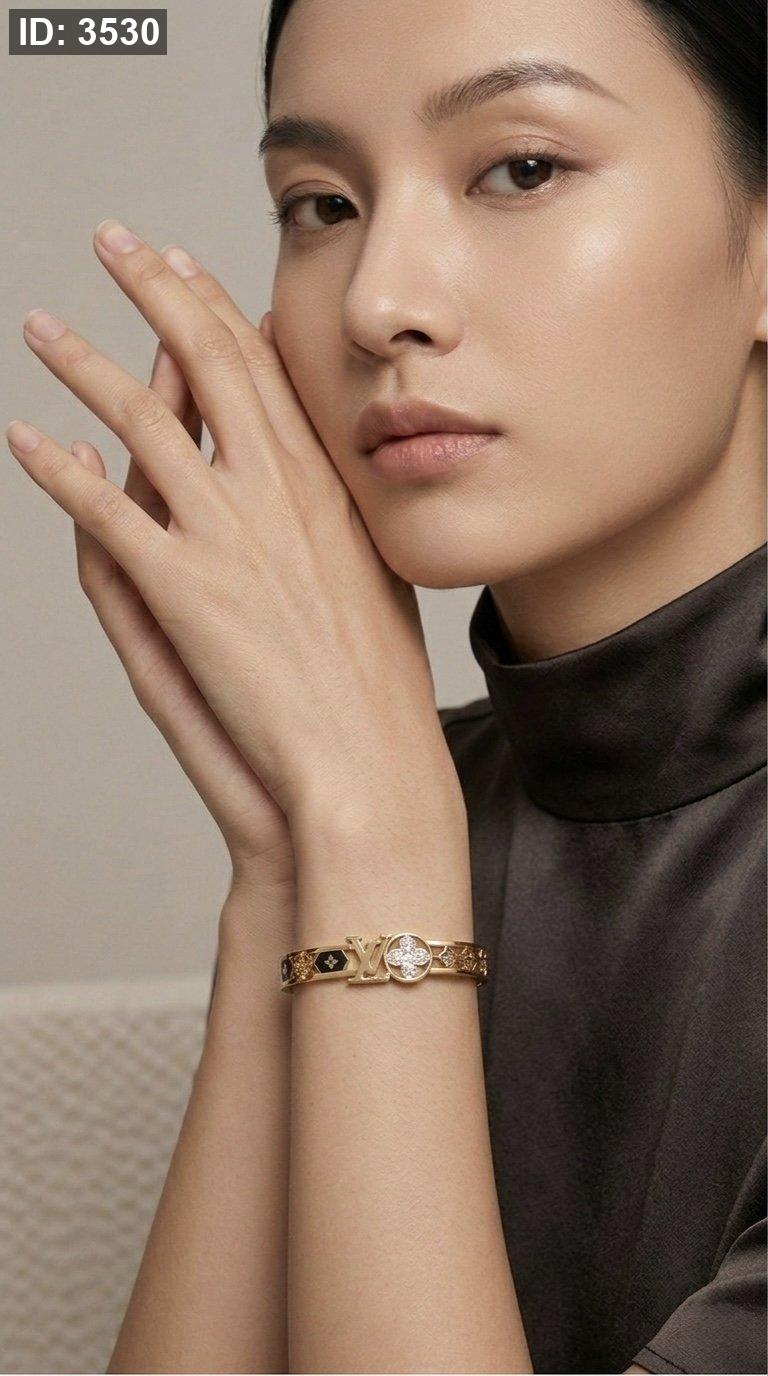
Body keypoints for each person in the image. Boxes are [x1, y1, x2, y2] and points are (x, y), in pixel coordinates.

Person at [8, 0, 764, 1371]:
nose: (375, 302)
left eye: (520, 169)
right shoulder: (379, 809)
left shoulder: (386, 818)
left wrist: (372, 843)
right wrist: (287, 870)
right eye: (322, 204)